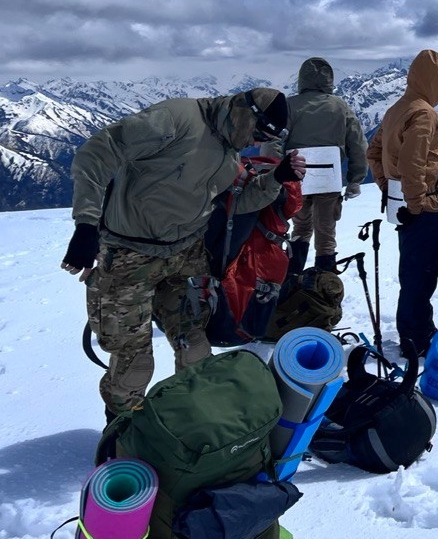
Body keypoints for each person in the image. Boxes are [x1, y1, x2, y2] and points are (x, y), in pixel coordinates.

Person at [62, 88, 307, 419]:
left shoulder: (229, 154)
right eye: (257, 132)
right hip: (128, 254)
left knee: (195, 347)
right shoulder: (174, 119)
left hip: (185, 255)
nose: (253, 141)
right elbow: (96, 153)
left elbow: (239, 203)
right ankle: (121, 430)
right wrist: (87, 224)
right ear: (245, 112)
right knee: (134, 361)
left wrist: (277, 177)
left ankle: (191, 423)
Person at [366, 49, 438, 364]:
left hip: (400, 204)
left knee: (412, 273)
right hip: (425, 206)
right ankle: (417, 338)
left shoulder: (397, 110)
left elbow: (373, 152)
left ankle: (413, 331)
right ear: (431, 81)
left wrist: (388, 187)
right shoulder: (423, 114)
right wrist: (416, 202)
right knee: (423, 274)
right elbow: (413, 161)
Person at [271, 57, 369, 273]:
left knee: (301, 228)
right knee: (326, 234)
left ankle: (292, 282)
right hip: (329, 178)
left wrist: (275, 174)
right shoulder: (340, 106)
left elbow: (273, 142)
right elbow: (358, 145)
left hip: (296, 177)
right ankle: (324, 287)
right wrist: (355, 179)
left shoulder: (289, 105)